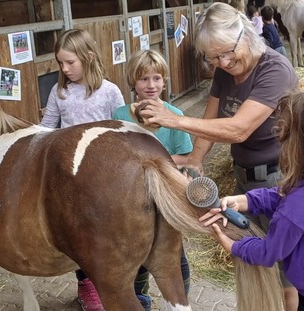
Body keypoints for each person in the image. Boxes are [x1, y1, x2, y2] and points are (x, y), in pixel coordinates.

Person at [135, 3, 299, 310]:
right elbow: (211, 121)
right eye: (213, 58)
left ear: (245, 34)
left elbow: (239, 130)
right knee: (247, 255)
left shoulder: (275, 70)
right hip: (244, 176)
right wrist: (196, 158)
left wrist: (175, 119)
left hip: (279, 179)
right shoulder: (225, 71)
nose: (222, 62)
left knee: (286, 270)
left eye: (227, 52)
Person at [198, 90, 304, 311]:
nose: (279, 139)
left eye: (283, 135)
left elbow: (270, 252)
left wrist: (234, 246)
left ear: (298, 145)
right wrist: (245, 200)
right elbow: (286, 194)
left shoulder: (301, 203)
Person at [39, 28, 124, 311]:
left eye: (69, 62)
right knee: (78, 233)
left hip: (104, 176)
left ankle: (111, 282)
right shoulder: (59, 91)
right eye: (60, 63)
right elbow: (47, 128)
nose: (64, 69)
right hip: (69, 177)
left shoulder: (110, 92)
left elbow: (123, 131)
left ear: (88, 57)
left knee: (106, 231)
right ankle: (86, 285)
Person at [112, 49, 192, 311]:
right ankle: (140, 300)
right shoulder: (119, 115)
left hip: (166, 195)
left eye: (157, 78)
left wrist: (154, 165)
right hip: (130, 197)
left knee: (173, 250)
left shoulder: (174, 114)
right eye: (144, 79)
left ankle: (181, 297)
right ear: (133, 82)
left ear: (165, 82)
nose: (151, 85)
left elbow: (185, 156)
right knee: (134, 251)